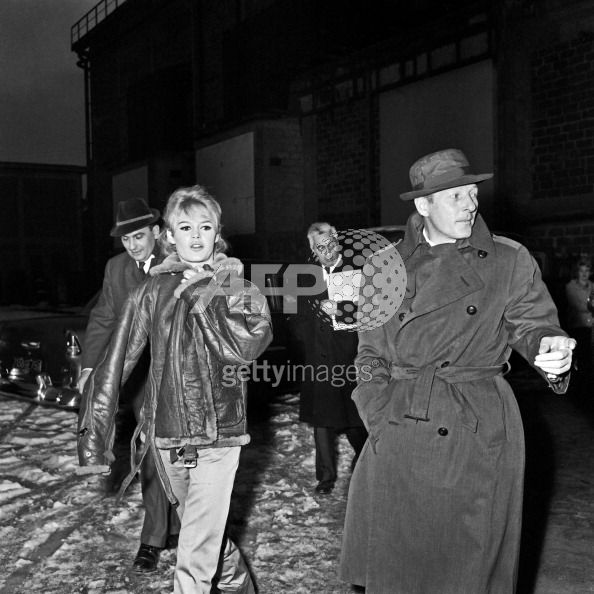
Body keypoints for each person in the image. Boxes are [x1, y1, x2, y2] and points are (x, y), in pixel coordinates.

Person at [340, 148, 575, 593]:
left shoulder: (508, 259)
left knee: (470, 571)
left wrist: (550, 348)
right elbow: (370, 355)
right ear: (423, 205)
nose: (470, 205)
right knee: (401, 572)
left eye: (472, 194)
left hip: (477, 425)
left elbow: (534, 325)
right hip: (400, 425)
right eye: (455, 196)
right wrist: (377, 414)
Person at [78, 185, 272, 594]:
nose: (196, 236)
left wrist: (202, 292)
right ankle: (240, 585)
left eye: (205, 226)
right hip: (167, 437)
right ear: (169, 235)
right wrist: (94, 434)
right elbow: (116, 362)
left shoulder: (238, 287)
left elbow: (247, 347)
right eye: (185, 227)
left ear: (218, 233)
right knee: (205, 536)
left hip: (220, 436)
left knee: (193, 556)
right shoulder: (150, 292)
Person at [78, 197, 180, 573]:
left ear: (156, 231)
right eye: (126, 239)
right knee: (150, 451)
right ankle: (153, 537)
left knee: (182, 454)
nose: (133, 245)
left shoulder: (179, 261)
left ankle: (181, 525)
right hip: (140, 379)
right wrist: (90, 366)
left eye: (139, 236)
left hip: (178, 376)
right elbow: (104, 316)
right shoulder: (116, 268)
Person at [293, 222, 367, 495]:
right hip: (317, 358)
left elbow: (365, 316)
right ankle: (325, 477)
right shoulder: (306, 277)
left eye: (328, 244)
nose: (325, 251)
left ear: (336, 241)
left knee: (353, 420)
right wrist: (307, 339)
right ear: (312, 249)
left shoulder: (353, 271)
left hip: (347, 360)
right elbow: (296, 316)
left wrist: (339, 312)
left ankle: (365, 460)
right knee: (321, 421)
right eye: (318, 247)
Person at [564, 257, 593, 390]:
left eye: (587, 271)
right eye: (581, 271)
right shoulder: (571, 286)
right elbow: (578, 306)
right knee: (580, 357)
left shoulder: (592, 286)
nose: (584, 274)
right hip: (578, 327)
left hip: (591, 327)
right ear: (577, 272)